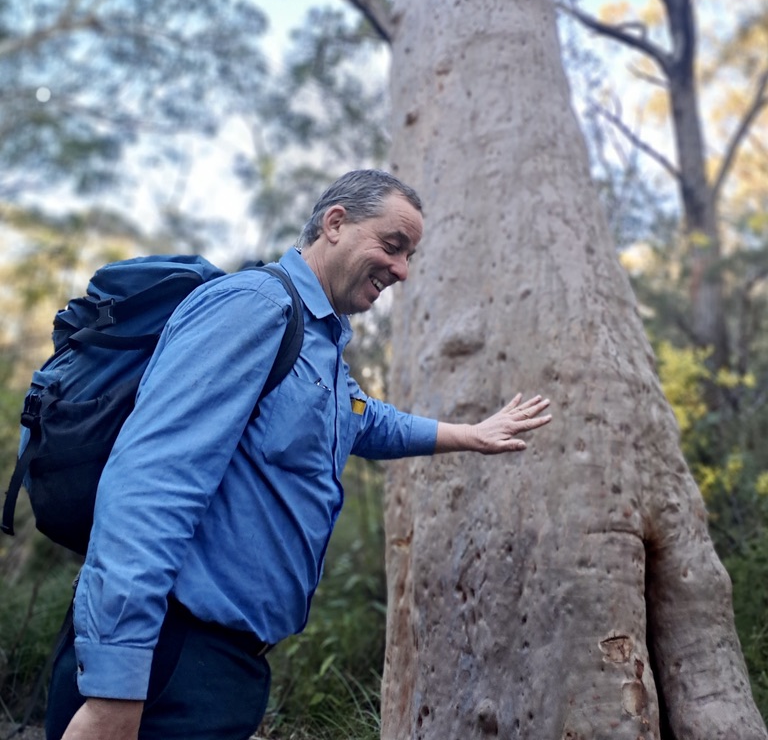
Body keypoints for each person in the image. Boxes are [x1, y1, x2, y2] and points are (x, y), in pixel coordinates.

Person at [47, 169, 551, 740]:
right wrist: (116, 685)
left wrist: (472, 433)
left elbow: (365, 421)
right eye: (392, 246)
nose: (402, 270)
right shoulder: (254, 306)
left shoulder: (320, 343)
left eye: (409, 255)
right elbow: (149, 483)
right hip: (164, 659)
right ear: (335, 223)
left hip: (223, 666)